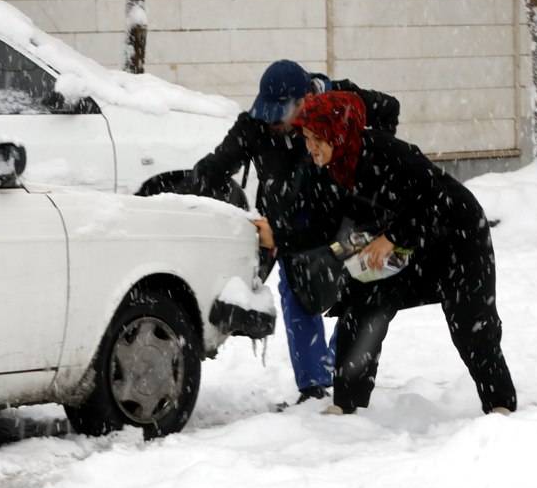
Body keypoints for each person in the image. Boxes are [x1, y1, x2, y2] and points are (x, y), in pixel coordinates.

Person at [186, 60, 399, 405]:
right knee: (298, 294)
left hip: (344, 218)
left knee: (362, 288)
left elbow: (389, 109)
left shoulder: (339, 100)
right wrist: (178, 198)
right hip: (290, 227)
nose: (272, 123)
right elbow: (215, 166)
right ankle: (314, 386)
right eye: (266, 114)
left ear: (303, 101)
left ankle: (343, 363)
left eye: (278, 114)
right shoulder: (255, 126)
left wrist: (369, 158)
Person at [292, 90, 517, 416]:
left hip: (457, 237)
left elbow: (435, 200)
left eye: (318, 139)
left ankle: (500, 407)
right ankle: (346, 406)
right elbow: (323, 224)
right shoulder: (328, 169)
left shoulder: (385, 153)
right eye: (307, 138)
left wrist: (392, 237)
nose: (311, 147)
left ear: (339, 135)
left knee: (470, 323)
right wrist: (280, 235)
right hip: (404, 247)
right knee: (362, 310)